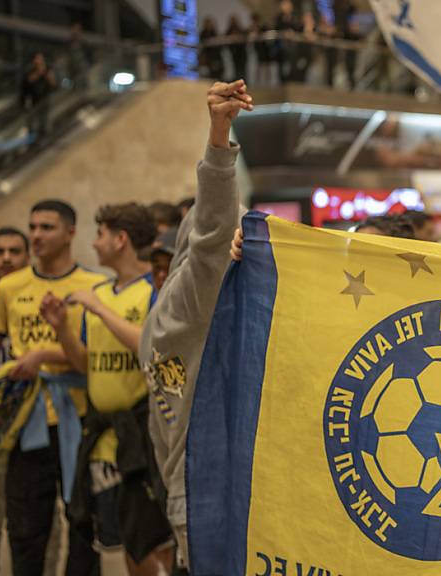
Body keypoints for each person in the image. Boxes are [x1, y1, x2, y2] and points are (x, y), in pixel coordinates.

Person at [139, 80, 252, 571]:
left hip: (190, 491)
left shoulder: (169, 316)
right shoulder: (188, 305)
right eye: (242, 238)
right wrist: (219, 137)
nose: (245, 251)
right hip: (207, 495)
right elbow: (212, 235)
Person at [41, 203, 174, 575]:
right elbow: (88, 364)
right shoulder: (99, 293)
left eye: (100, 234)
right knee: (126, 542)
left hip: (145, 436)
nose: (94, 243)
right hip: (104, 439)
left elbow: (151, 346)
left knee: (154, 539)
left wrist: (99, 309)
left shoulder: (155, 289)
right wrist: (62, 329)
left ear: (121, 239)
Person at [0, 200, 105, 576]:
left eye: (47, 228)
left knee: (84, 522)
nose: (37, 235)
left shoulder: (93, 286)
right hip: (25, 421)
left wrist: (43, 354)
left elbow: (95, 359)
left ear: (71, 232)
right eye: (33, 227)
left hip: (82, 417)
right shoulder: (9, 288)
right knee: (25, 527)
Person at [0, 227, 30, 576]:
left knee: (26, 520)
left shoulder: (35, 300)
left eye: (14, 251)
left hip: (28, 425)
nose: (5, 259)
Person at [20, 52, 56, 141]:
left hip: (45, 97)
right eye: (38, 59)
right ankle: (33, 140)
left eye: (41, 58)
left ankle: (45, 137)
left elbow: (53, 83)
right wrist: (39, 72)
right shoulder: (29, 70)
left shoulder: (47, 68)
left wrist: (46, 74)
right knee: (31, 122)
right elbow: (28, 81)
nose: (40, 61)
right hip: (33, 100)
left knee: (44, 120)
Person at [226, 15, 248, 84]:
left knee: (243, 70)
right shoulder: (229, 30)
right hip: (234, 53)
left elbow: (245, 38)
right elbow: (226, 38)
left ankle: (244, 83)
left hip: (242, 52)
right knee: (236, 70)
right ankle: (238, 84)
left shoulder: (240, 29)